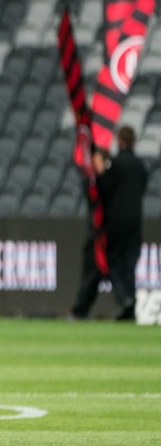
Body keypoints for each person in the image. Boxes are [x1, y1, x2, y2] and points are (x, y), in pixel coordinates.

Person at [97, 127, 147, 320]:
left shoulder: (115, 165)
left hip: (117, 221)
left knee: (113, 261)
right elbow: (142, 187)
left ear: (119, 141)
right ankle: (131, 305)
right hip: (135, 220)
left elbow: (104, 188)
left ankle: (124, 299)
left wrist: (100, 174)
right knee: (130, 264)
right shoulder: (140, 166)